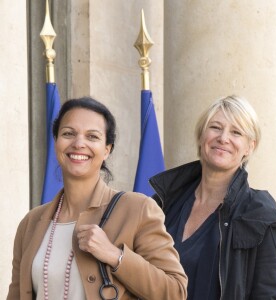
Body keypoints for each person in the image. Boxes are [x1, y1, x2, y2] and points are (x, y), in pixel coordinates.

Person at [7, 97, 188, 300]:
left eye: (92, 136)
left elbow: (175, 291)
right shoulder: (31, 223)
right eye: (68, 133)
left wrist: (115, 256)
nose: (79, 143)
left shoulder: (137, 209)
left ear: (107, 150)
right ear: (56, 142)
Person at [150, 95, 276, 300]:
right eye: (215, 127)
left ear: (249, 147)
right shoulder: (163, 202)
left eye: (236, 132)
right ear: (201, 136)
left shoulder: (260, 214)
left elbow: (269, 295)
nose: (223, 138)